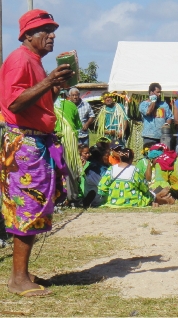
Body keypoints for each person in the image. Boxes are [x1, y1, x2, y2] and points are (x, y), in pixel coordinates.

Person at [0, 9, 73, 297]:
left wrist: (54, 86)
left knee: (34, 206)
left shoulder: (35, 62)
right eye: (45, 30)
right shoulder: (20, 59)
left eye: (53, 29)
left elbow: (39, 104)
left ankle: (22, 273)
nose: (52, 34)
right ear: (28, 35)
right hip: (25, 143)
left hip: (36, 141)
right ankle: (18, 279)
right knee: (28, 207)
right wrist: (47, 81)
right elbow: (13, 103)